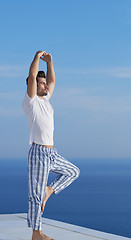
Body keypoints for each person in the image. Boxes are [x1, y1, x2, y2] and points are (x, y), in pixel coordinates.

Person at [22, 50, 80, 240]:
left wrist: (50, 62)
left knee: (73, 172)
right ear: (33, 87)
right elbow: (32, 76)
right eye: (41, 83)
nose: (46, 85)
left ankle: (50, 190)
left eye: (44, 82)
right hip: (38, 152)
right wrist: (37, 58)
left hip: (51, 153)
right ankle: (36, 233)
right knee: (35, 196)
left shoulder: (46, 100)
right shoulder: (31, 102)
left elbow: (53, 82)